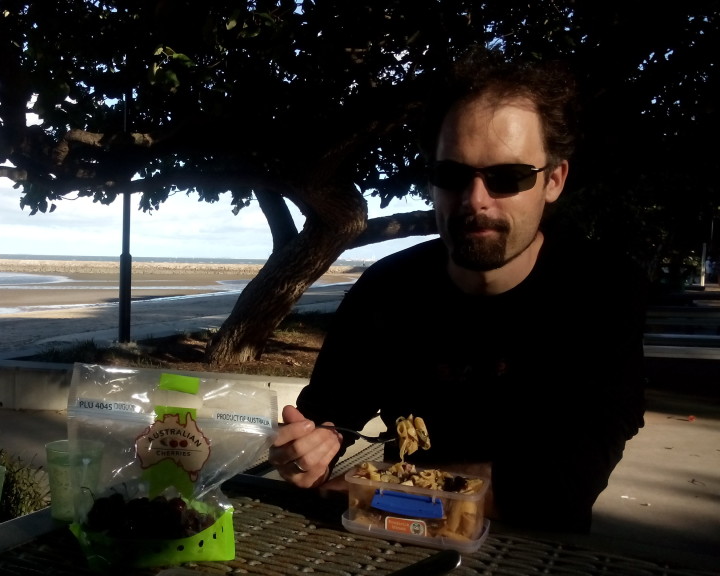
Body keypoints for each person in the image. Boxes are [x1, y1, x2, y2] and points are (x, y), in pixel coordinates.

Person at [269, 48, 648, 533]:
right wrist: (308, 448)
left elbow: (566, 481)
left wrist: (390, 485)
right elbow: (327, 416)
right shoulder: (387, 290)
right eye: (452, 175)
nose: (475, 201)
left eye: (507, 177)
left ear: (553, 179)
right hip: (387, 542)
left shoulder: (601, 292)